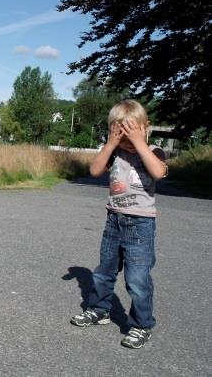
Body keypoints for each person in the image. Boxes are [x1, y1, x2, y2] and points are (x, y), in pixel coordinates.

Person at [70, 99, 168, 349]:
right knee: (104, 272)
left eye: (129, 133)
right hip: (114, 220)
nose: (125, 140)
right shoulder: (115, 152)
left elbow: (158, 173)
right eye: (119, 133)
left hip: (140, 225)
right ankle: (99, 309)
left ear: (146, 127)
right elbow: (94, 171)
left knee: (137, 279)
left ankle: (141, 324)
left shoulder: (153, 151)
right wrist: (112, 143)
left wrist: (139, 141)